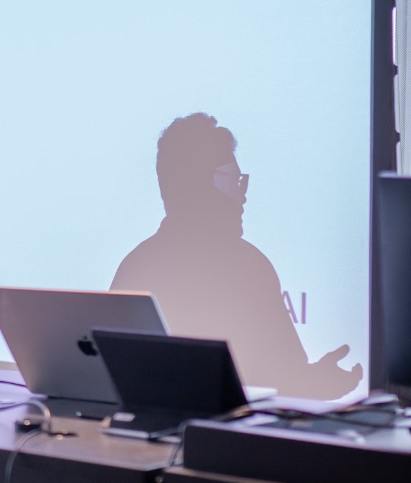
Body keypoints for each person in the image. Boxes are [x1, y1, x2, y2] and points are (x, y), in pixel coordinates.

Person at [111, 112, 362, 399]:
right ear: (200, 185)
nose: (242, 195)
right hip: (228, 443)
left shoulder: (135, 266)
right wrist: (322, 381)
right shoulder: (248, 267)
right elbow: (287, 383)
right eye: (234, 180)